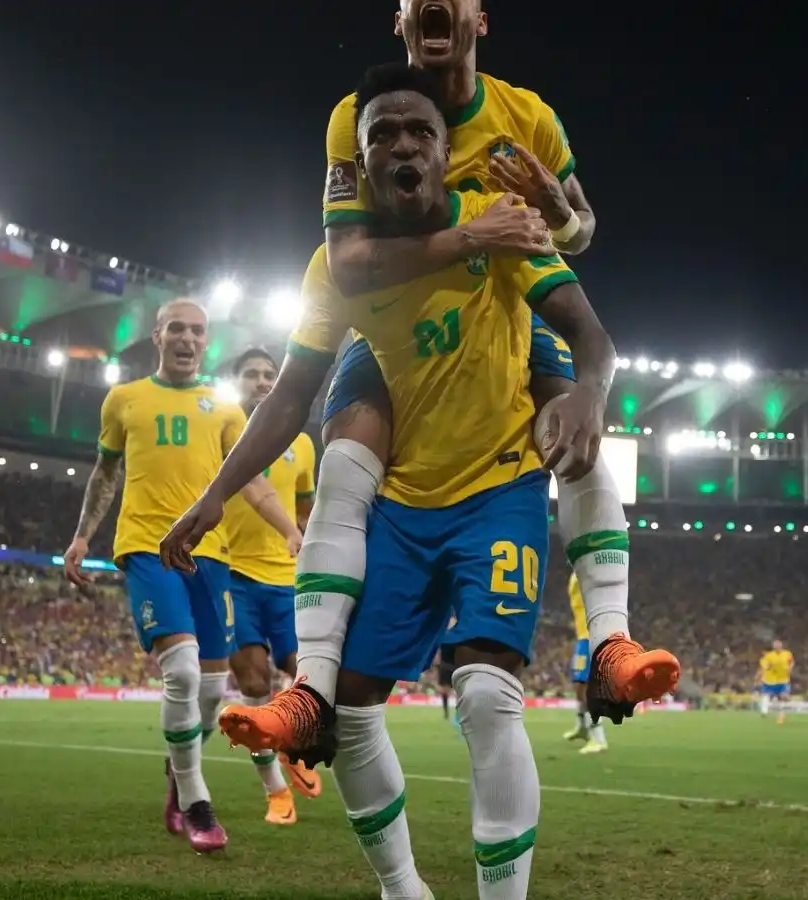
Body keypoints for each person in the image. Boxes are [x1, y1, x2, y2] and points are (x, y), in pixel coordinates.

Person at [161, 62, 660, 900]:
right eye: (383, 134)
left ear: (444, 149)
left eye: (420, 132)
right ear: (358, 162)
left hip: (496, 490)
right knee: (353, 713)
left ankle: (609, 638)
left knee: (489, 694)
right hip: (402, 503)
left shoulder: (497, 221)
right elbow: (290, 394)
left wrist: (585, 392)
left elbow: (590, 331)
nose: (402, 144)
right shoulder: (337, 271)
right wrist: (214, 494)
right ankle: (401, 886)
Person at [295, 0, 658, 738]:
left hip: (502, 307)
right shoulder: (354, 116)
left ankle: (613, 640)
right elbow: (349, 263)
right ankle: (311, 685)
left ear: (479, 20)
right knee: (342, 463)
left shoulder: (527, 117)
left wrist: (556, 206)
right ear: (398, 22)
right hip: (393, 321)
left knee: (573, 419)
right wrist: (471, 234)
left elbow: (579, 230)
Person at [62, 299, 302, 855]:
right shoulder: (124, 399)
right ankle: (196, 800)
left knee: (214, 688)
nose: (187, 338)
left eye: (197, 331)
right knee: (186, 674)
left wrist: (292, 530)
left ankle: (177, 767)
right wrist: (82, 537)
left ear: (206, 341)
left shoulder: (223, 410)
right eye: (177, 329)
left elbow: (255, 484)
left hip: (210, 555)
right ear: (158, 336)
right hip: (146, 546)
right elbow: (105, 474)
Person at [218, 347, 324, 824]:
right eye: (251, 374)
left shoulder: (302, 443)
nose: (261, 381)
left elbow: (306, 507)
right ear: (234, 382)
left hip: (286, 580)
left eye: (269, 374)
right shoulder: (218, 433)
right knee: (255, 684)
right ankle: (276, 792)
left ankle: (292, 748)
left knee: (307, 679)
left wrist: (309, 544)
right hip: (232, 574)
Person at [562, 574, 607, 753]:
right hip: (583, 637)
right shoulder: (577, 573)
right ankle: (582, 727)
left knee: (588, 687)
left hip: (592, 636)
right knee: (579, 686)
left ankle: (598, 737)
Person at [758, 639, 794, 724]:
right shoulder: (769, 656)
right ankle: (764, 711)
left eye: (778, 645)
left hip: (783, 680)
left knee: (783, 697)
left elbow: (792, 661)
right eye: (775, 645)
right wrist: (768, 667)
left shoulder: (787, 654)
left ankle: (781, 716)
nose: (777, 646)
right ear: (773, 647)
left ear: (781, 645)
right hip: (770, 681)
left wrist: (790, 668)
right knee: (766, 695)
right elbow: (764, 665)